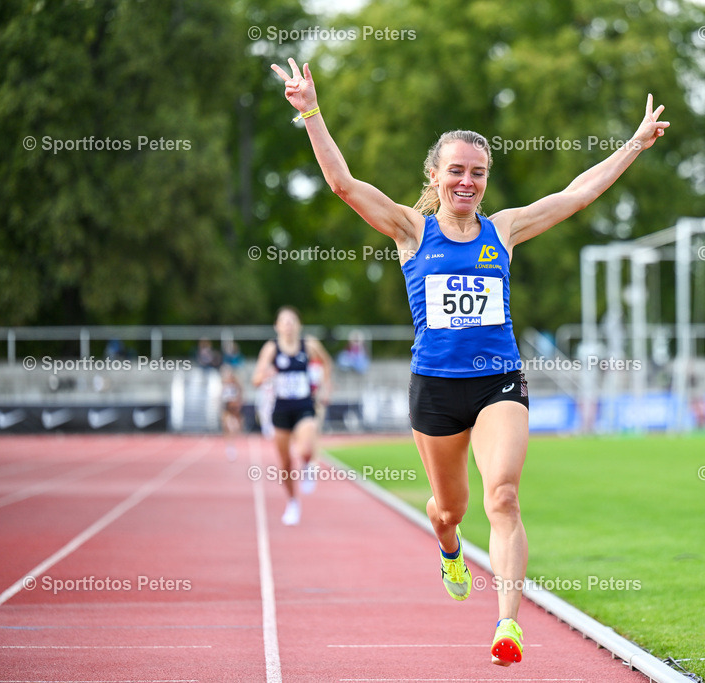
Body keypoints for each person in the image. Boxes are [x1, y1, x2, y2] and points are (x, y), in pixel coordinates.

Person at [271, 57, 668, 665]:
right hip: (434, 390)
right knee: (448, 509)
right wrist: (312, 113)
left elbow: (576, 195)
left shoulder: (503, 231)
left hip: (498, 383)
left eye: (478, 173)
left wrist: (634, 145)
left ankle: (507, 625)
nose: (467, 182)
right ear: (435, 173)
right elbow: (343, 185)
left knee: (503, 497)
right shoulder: (410, 230)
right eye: (456, 170)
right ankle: (449, 547)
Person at [251, 306, 333, 525]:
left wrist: (326, 388)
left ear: (299, 325)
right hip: (281, 409)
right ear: (277, 326)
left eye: (292, 320)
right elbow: (255, 379)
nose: (288, 324)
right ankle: (292, 502)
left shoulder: (310, 345)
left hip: (304, 405)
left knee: (306, 447)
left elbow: (327, 363)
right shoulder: (271, 348)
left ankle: (307, 464)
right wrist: (267, 374)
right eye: (284, 321)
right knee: (285, 463)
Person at [220, 364, 244, 461]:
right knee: (226, 426)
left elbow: (240, 392)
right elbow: (221, 396)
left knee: (236, 427)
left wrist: (239, 402)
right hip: (226, 407)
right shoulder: (223, 383)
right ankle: (230, 446)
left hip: (234, 407)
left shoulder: (236, 384)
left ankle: (233, 440)